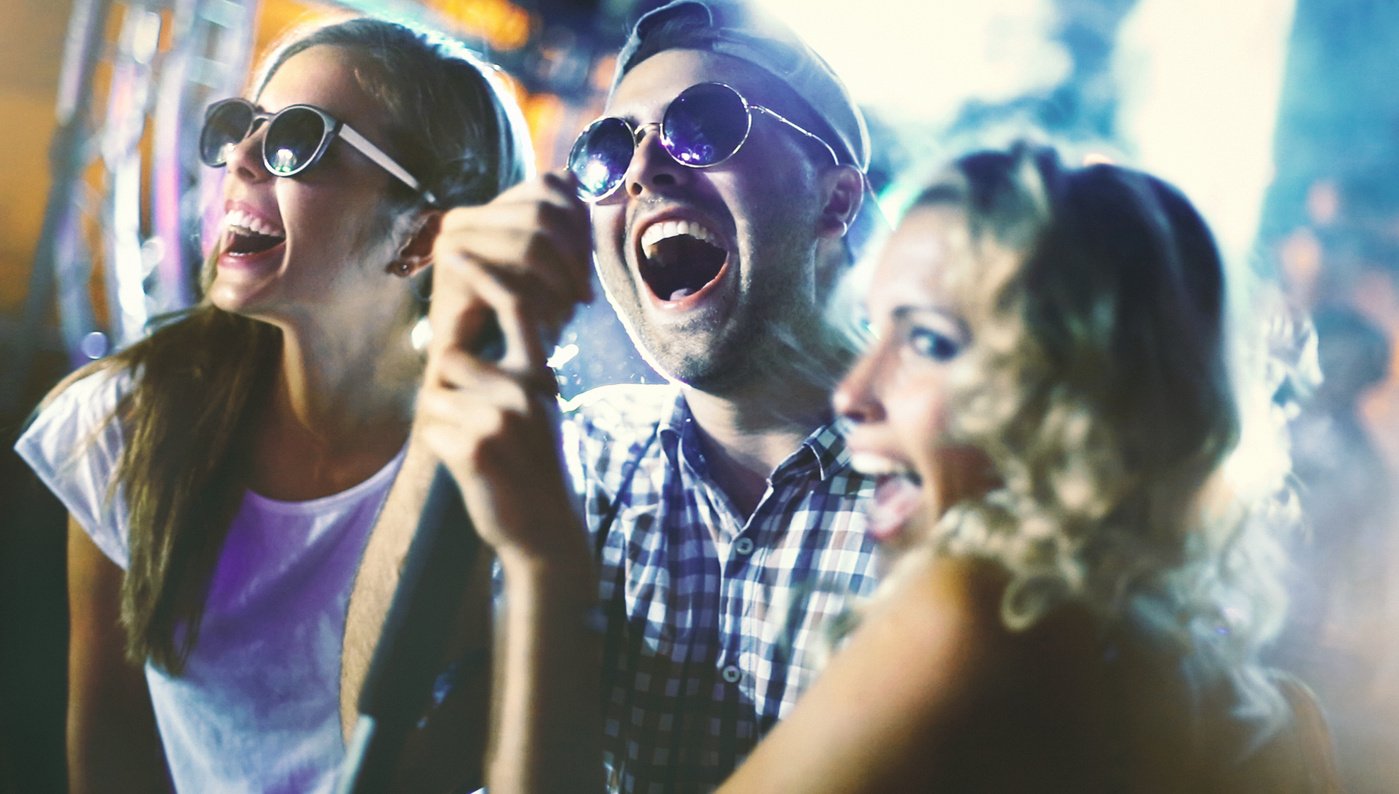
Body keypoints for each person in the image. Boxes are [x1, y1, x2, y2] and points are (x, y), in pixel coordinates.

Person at [468, 143, 1345, 791]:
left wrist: (544, 568)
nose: (855, 393)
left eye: (925, 341)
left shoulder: (976, 610)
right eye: (875, 328)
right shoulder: (1248, 704)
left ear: (1072, 394)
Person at [339, 1, 885, 790]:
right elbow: (407, 768)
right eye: (605, 149)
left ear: (834, 201)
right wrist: (451, 387)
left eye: (703, 124)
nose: (643, 169)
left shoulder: (952, 490)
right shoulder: (577, 459)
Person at [14, 16, 530, 793]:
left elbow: (431, 767)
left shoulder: (502, 469)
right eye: (240, 127)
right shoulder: (124, 419)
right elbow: (110, 753)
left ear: (421, 238)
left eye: (296, 140)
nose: (239, 158)